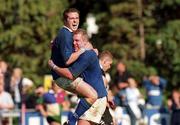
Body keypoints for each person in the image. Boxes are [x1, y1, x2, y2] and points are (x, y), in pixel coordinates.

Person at [49, 29, 107, 125]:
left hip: (95, 99)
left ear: (85, 42)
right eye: (73, 40)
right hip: (93, 98)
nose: (73, 43)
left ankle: (71, 121)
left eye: (77, 41)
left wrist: (54, 67)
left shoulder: (86, 55)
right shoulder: (82, 52)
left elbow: (70, 75)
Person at [50, 8, 98, 125]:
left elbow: (55, 44)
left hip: (63, 76)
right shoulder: (66, 35)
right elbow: (67, 60)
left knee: (91, 95)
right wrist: (82, 50)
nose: (75, 21)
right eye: (72, 18)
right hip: (63, 77)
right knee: (93, 95)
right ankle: (71, 121)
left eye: (77, 18)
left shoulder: (67, 34)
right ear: (66, 20)